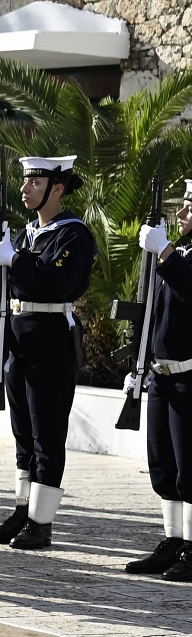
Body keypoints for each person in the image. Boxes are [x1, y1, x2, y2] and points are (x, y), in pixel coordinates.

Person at [0, 155, 97, 550]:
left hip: (50, 340)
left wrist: (14, 259)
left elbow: (53, 283)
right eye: (25, 181)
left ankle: (41, 523)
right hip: (19, 341)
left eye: (35, 182)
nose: (26, 188)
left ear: (57, 188)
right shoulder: (27, 234)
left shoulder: (72, 235)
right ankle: (22, 510)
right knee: (23, 435)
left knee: (47, 434)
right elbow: (7, 298)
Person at [128, 182, 192, 579]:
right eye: (183, 205)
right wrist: (137, 365)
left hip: (189, 377)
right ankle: (174, 540)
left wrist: (165, 252)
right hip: (161, 375)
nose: (182, 213)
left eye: (190, 206)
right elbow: (149, 308)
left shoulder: (175, 257)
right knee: (162, 465)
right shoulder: (176, 254)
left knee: (190, 468)